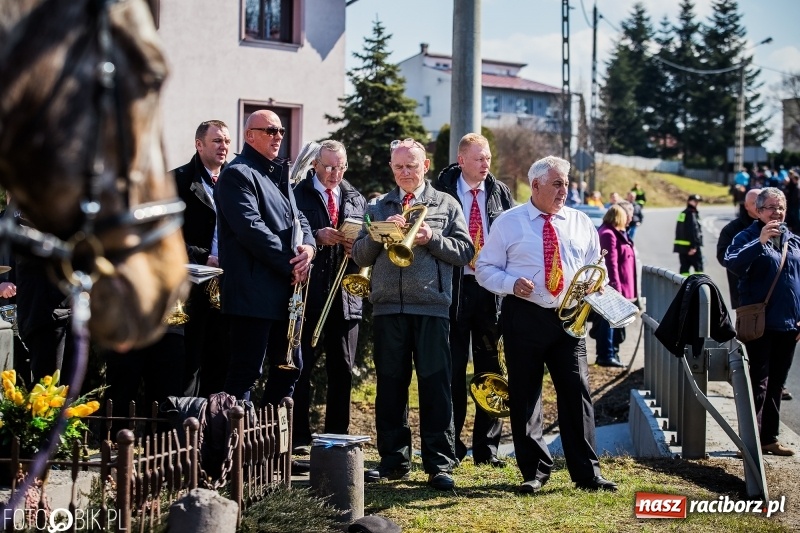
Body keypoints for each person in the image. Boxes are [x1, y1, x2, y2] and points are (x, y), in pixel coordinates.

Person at [475, 155, 617, 494]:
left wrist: (599, 282)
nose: (564, 190)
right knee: (525, 395)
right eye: (557, 183)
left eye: (566, 183)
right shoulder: (509, 222)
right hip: (524, 314)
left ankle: (587, 473)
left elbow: (596, 267)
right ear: (536, 185)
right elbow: (484, 269)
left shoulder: (581, 222)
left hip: (569, 318)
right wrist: (510, 283)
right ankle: (535, 472)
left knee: (577, 394)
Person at [351, 137, 473, 491]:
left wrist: (431, 238)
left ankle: (439, 463)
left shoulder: (446, 204)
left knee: (435, 386)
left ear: (426, 167)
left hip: (432, 307)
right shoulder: (377, 206)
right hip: (388, 307)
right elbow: (359, 256)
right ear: (392, 168)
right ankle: (393, 461)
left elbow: (465, 251)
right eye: (399, 167)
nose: (405, 173)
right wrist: (379, 234)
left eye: (412, 166)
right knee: (390, 387)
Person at [214, 110, 315, 407]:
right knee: (246, 373)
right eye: (270, 131)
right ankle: (233, 446)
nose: (278, 137)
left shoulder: (277, 173)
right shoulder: (237, 173)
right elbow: (251, 229)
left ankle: (273, 448)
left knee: (288, 369)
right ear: (249, 136)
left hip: (285, 293)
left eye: (281, 131)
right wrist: (291, 263)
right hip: (252, 295)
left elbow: (301, 221)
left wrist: (309, 249)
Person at [433, 133, 514, 467]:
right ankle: (451, 447)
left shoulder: (499, 192)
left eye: (489, 159)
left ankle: (487, 448)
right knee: (450, 370)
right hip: (453, 289)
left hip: (489, 292)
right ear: (461, 159)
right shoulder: (442, 191)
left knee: (489, 370)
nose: (486, 165)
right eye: (479, 159)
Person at [291, 140, 366, 448]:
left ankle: (337, 439)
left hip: (346, 296)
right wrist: (317, 237)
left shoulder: (355, 197)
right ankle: (298, 438)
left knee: (342, 369)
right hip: (309, 293)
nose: (336, 173)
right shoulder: (298, 195)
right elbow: (293, 231)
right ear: (315, 166)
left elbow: (367, 241)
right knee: (300, 367)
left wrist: (357, 247)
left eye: (341, 167)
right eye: (329, 167)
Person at [725, 187, 800, 456]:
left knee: (777, 383)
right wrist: (759, 241)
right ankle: (749, 443)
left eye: (781, 207)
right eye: (770, 207)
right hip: (759, 323)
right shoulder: (746, 236)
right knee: (758, 382)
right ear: (758, 210)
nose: (777, 212)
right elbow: (731, 263)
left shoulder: (793, 239)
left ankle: (769, 438)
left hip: (789, 324)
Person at [173, 120, 232, 397]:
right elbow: (166, 238)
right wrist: (203, 257)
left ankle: (213, 431)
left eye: (227, 142)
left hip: (228, 284)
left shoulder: (235, 180)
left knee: (221, 361)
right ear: (199, 144)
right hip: (189, 287)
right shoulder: (177, 181)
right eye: (217, 141)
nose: (224, 147)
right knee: (188, 364)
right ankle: (184, 432)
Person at [594, 205, 636, 368]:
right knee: (608, 322)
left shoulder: (616, 233)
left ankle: (612, 352)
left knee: (615, 323)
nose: (628, 219)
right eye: (626, 216)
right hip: (611, 288)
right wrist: (616, 287)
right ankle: (606, 355)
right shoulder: (608, 234)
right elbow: (610, 263)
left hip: (619, 287)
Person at [716, 188, 761, 310]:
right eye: (754, 203)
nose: (759, 206)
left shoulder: (774, 226)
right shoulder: (732, 229)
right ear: (746, 206)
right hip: (743, 294)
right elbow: (723, 257)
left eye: (761, 202)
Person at [673, 194, 704, 275]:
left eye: (698, 202)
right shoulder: (691, 214)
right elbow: (693, 230)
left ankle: (684, 286)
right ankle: (698, 286)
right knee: (698, 269)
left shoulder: (683, 213)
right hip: (691, 248)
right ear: (689, 202)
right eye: (695, 201)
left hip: (682, 248)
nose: (697, 204)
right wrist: (693, 247)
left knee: (684, 269)